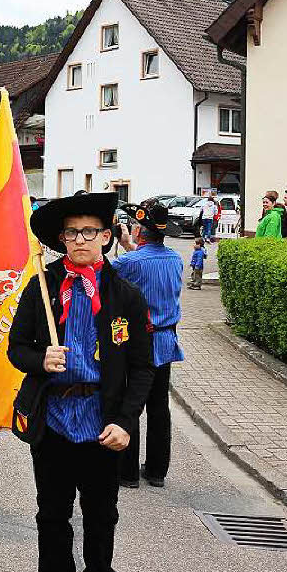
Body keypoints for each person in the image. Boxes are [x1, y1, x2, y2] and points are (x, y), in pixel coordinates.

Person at [9, 192, 153, 572]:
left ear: (107, 237)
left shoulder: (125, 296)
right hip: (53, 419)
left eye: (89, 232)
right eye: (71, 233)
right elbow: (16, 347)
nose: (79, 240)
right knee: (52, 511)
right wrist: (40, 359)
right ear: (62, 239)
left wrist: (126, 421)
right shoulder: (41, 285)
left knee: (101, 514)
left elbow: (143, 368)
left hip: (101, 423)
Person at [113, 204, 184, 490]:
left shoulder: (130, 262)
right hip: (166, 340)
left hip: (139, 342)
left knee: (131, 404)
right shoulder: (176, 259)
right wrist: (131, 245)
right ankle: (156, 471)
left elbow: (108, 271)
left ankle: (127, 472)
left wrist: (123, 244)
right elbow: (145, 263)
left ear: (140, 230)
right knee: (159, 407)